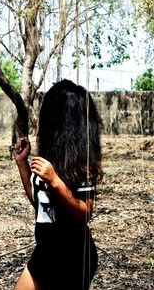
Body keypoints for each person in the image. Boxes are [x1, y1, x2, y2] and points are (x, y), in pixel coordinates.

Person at [14, 79, 102, 290]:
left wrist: (55, 181)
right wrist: (22, 164)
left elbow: (86, 212)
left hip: (72, 256)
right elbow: (39, 203)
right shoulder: (51, 156)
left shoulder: (82, 162)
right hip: (45, 252)